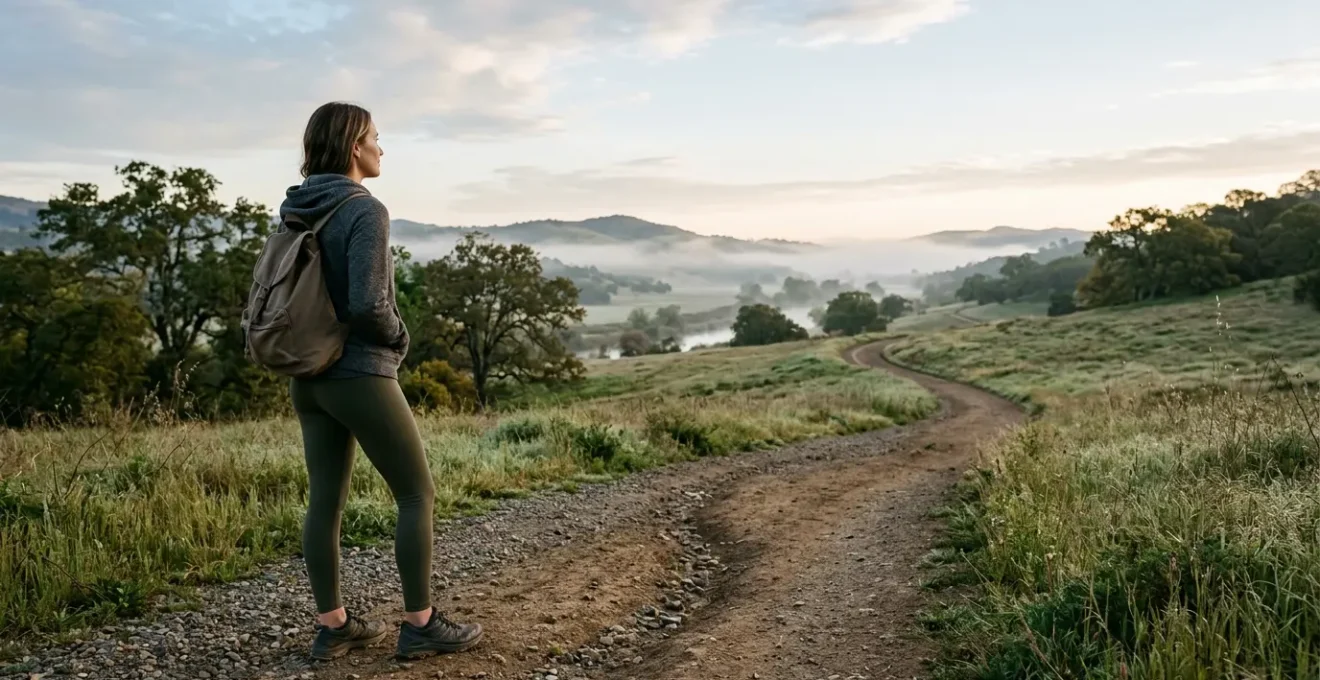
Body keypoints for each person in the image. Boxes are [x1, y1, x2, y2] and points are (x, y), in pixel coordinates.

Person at [278, 101, 482, 661]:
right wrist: (399, 337)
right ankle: (420, 624)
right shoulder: (365, 210)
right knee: (417, 494)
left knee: (325, 501)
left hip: (307, 375)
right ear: (354, 147)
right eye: (375, 138)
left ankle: (334, 626)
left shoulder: (296, 208)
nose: (381, 148)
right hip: (358, 372)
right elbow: (368, 302)